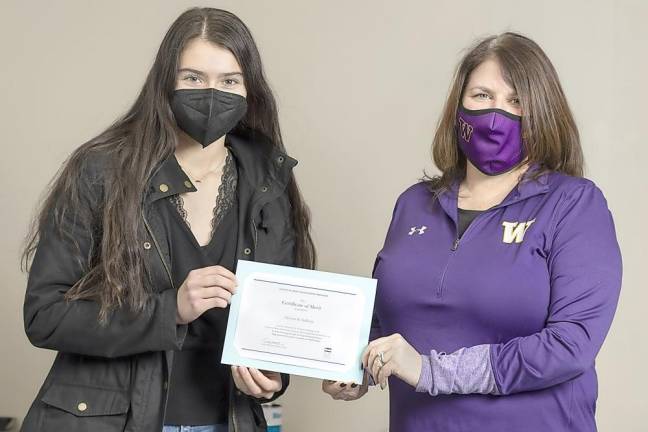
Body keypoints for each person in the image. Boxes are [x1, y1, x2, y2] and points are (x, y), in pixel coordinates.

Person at [21, 7, 315, 432]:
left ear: (250, 90)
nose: (211, 93)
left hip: (228, 420)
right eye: (193, 78)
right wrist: (169, 311)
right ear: (165, 83)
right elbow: (44, 316)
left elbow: (281, 319)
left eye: (229, 81)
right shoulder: (100, 171)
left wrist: (272, 376)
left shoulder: (268, 183)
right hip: (108, 421)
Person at [323, 32, 622, 432]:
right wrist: (354, 366)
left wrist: (432, 371)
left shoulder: (574, 205)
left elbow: (571, 346)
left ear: (543, 112)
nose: (497, 114)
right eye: (482, 96)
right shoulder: (414, 203)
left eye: (517, 100)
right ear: (458, 107)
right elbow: (387, 320)